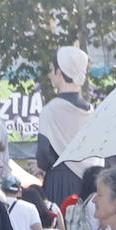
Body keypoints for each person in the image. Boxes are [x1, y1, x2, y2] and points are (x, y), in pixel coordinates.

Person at [37, 46, 92, 206]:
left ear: (59, 72)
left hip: (60, 181)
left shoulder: (51, 110)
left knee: (61, 229)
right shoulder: (91, 110)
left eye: (52, 69)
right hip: (90, 182)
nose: (50, 74)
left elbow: (43, 155)